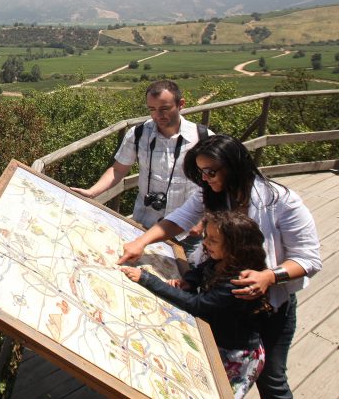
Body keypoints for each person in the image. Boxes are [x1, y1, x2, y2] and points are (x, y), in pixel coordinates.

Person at [118, 134, 322, 399]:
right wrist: (141, 242)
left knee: (272, 380)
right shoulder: (212, 193)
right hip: (225, 305)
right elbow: (179, 219)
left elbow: (309, 259)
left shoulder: (282, 201)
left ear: (234, 166)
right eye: (201, 172)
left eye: (210, 172)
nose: (205, 179)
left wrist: (269, 277)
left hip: (270, 307)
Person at [121, 210, 269, 398]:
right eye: (206, 236)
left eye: (213, 240)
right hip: (215, 340)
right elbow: (201, 270)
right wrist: (189, 282)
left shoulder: (237, 282)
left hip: (234, 355)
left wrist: (148, 279)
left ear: (235, 247)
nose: (205, 243)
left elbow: (197, 305)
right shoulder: (222, 260)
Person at [72, 80, 209, 231]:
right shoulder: (138, 134)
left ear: (181, 104)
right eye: (152, 109)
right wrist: (92, 192)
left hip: (187, 228)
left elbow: (218, 185)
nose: (158, 115)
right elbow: (118, 170)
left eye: (164, 108)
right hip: (144, 223)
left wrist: (204, 220)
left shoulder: (203, 138)